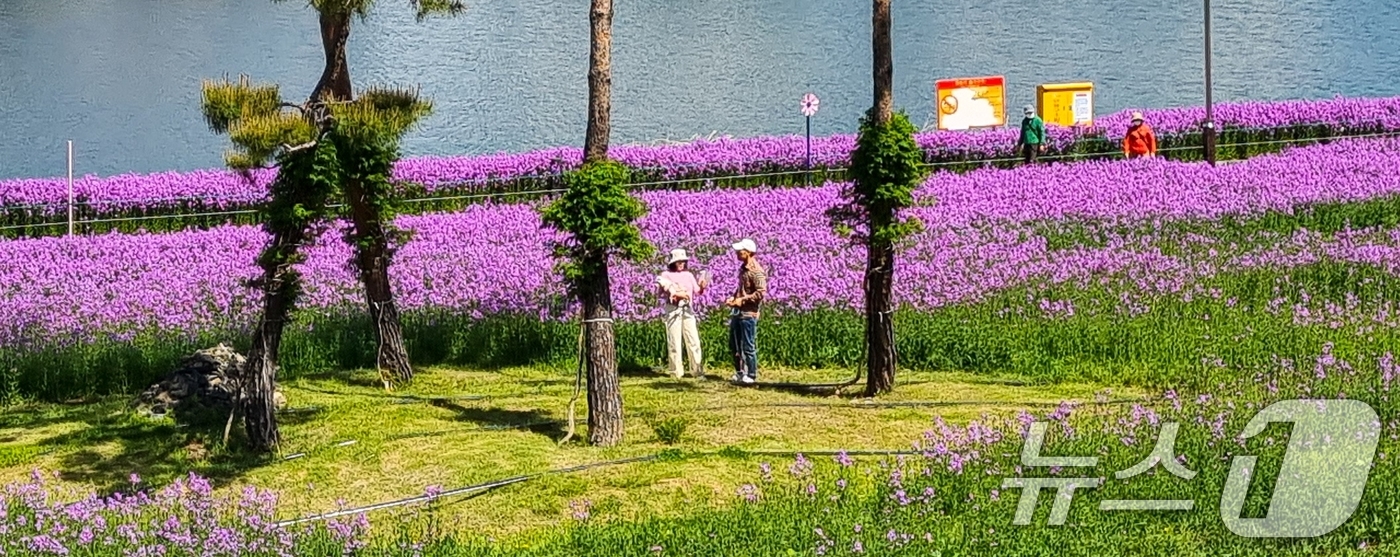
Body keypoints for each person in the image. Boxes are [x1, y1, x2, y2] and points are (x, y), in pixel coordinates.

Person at [655, 249, 707, 379]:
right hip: (673, 309)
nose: (681, 264)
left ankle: (697, 371)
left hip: (687, 310)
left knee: (693, 340)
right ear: (673, 262)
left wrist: (702, 286)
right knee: (674, 341)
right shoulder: (666, 275)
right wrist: (674, 292)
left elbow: (697, 291)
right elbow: (661, 292)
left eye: (683, 261)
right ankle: (676, 372)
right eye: (678, 261)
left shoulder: (688, 275)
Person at [725, 238, 767, 384]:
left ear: (748, 252)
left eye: (740, 251)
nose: (737, 253)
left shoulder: (756, 271)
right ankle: (739, 371)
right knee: (734, 344)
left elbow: (761, 293)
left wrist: (743, 300)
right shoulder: (743, 269)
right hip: (738, 312)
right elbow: (741, 289)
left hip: (749, 313)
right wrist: (734, 297)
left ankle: (752, 374)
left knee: (748, 345)